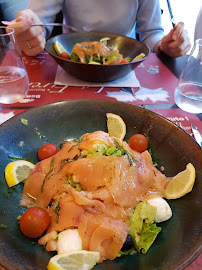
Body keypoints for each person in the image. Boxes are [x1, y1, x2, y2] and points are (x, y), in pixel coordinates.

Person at [7, 0, 191, 58]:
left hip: (124, 62)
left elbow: (151, 33)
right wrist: (30, 33)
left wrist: (165, 45)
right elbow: (39, 25)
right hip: (72, 61)